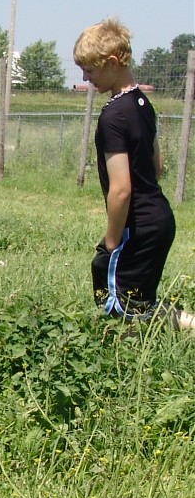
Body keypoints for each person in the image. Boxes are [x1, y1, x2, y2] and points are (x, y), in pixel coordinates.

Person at [73, 18, 195, 330]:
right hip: (160, 219)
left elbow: (121, 189)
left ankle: (126, 358)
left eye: (90, 70)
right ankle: (185, 324)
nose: (86, 78)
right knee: (138, 301)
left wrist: (112, 240)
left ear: (112, 63)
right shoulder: (142, 103)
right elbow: (157, 166)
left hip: (137, 226)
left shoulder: (113, 116)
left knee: (117, 302)